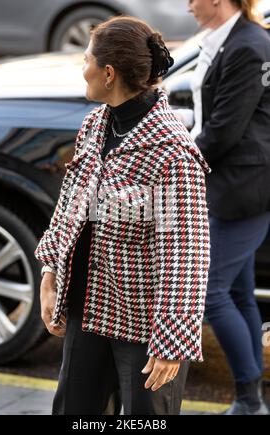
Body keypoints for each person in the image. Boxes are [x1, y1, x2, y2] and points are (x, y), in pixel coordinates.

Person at [34, 16, 211, 415]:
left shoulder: (170, 152)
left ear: (108, 73)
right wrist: (50, 270)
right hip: (86, 307)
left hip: (144, 329)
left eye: (86, 60)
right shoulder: (96, 124)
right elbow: (71, 202)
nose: (83, 69)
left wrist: (172, 341)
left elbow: (186, 255)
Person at [188, 0, 270, 415]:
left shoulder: (249, 45)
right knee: (239, 292)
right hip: (228, 182)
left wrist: (179, 160)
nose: (187, 3)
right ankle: (252, 398)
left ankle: (248, 399)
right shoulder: (224, 40)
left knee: (209, 293)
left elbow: (223, 130)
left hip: (244, 187)